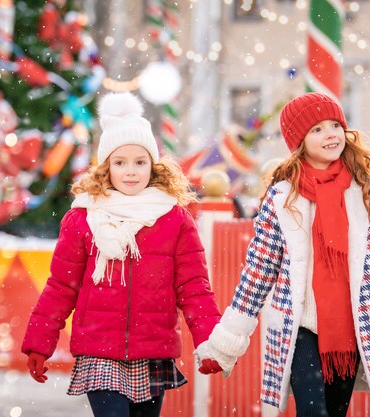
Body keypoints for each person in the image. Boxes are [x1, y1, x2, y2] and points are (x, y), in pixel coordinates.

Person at [194, 92, 370, 416]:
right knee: (313, 411)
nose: (330, 134)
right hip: (300, 329)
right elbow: (258, 273)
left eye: (334, 125)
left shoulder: (367, 192)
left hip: (352, 331)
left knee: (333, 411)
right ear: (299, 141)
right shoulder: (282, 198)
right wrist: (225, 344)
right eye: (317, 129)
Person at [22, 92, 221, 417]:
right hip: (98, 350)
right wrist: (39, 342)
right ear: (106, 168)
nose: (131, 171)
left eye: (140, 162)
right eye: (120, 162)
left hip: (153, 349)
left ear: (153, 166)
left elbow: (194, 287)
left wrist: (211, 343)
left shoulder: (173, 218)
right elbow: (61, 286)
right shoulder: (83, 217)